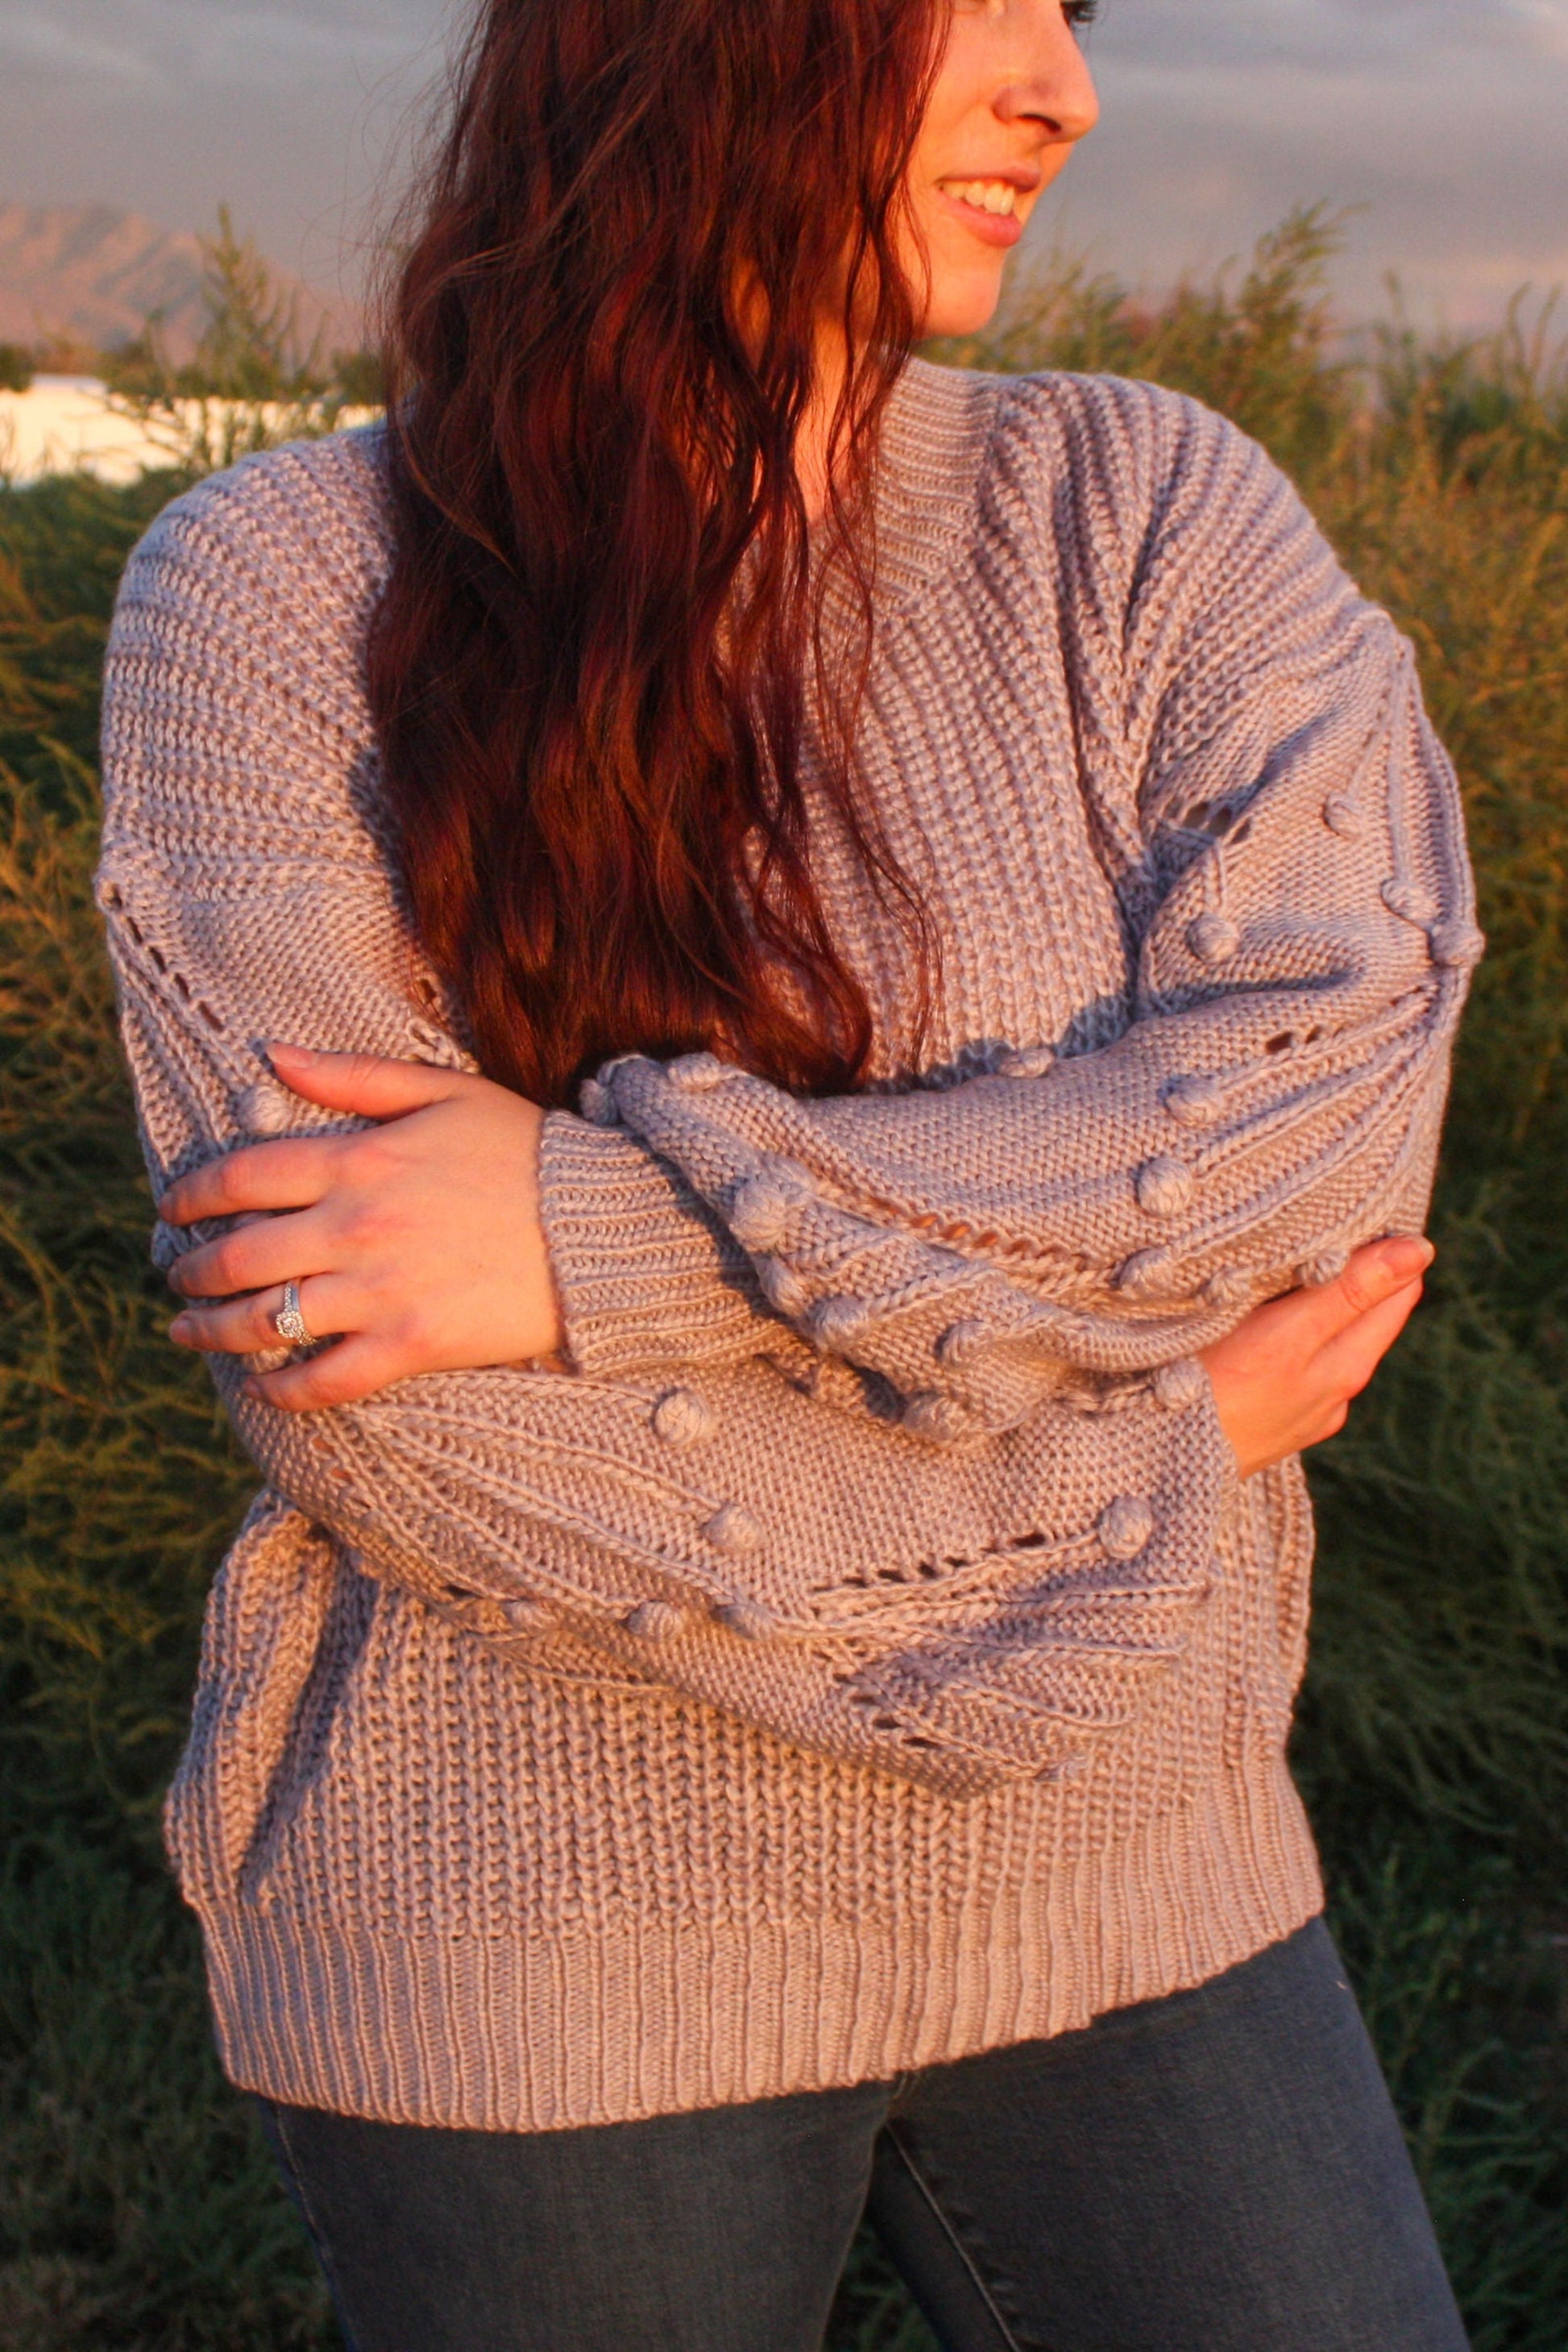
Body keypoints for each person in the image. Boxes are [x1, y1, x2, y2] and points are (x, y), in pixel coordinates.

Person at [96, 0, 1482, 2344]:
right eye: (987, 3)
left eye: (1076, 13)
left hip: (1136, 1876)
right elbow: (372, 1396)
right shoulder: (272, 592)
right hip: (542, 1944)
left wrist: (581, 1231)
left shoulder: (1144, 509)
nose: (1068, 90)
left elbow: (1315, 1118)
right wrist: (1146, 1461)